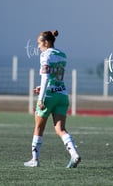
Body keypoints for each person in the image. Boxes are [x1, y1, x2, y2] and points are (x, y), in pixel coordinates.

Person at [24, 30, 81, 168]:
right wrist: (43, 87)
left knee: (38, 127)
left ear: (46, 42)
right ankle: (74, 155)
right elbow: (54, 76)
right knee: (60, 129)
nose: (38, 47)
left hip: (49, 95)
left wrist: (40, 98)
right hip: (62, 94)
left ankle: (35, 160)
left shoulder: (45, 55)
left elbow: (45, 77)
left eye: (39, 43)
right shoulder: (62, 55)